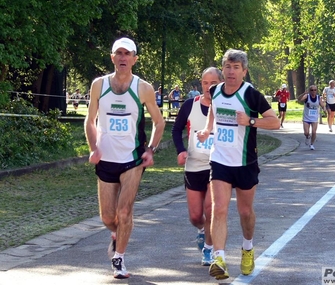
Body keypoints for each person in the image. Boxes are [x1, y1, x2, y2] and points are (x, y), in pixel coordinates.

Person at [84, 37, 165, 279]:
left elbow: (159, 122)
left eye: (127, 54)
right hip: (106, 158)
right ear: (112, 57)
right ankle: (116, 235)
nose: (122, 58)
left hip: (132, 159)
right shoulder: (99, 85)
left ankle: (119, 258)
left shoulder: (143, 88)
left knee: (124, 212)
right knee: (108, 217)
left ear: (134, 59)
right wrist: (93, 148)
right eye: (118, 53)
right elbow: (89, 120)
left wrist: (150, 149)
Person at [197, 49, 280, 280]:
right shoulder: (214, 91)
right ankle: (219, 258)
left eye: (236, 68)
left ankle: (247, 247)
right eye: (228, 67)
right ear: (222, 70)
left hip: (245, 163)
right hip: (220, 160)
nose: (231, 71)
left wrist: (251, 121)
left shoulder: (252, 95)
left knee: (245, 212)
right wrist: (207, 129)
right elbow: (212, 113)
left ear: (244, 71)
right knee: (219, 208)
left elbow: (275, 123)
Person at [172, 67, 223, 266]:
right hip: (193, 164)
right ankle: (202, 231)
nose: (209, 87)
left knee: (211, 208)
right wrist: (180, 150)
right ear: (201, 84)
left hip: (216, 165)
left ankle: (209, 250)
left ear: (221, 82)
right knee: (195, 215)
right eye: (205, 83)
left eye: (213, 83)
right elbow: (176, 130)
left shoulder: (225, 105)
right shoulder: (189, 105)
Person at [297, 85, 325, 150]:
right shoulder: (307, 96)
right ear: (309, 91)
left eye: (315, 90)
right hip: (306, 117)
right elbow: (299, 99)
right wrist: (304, 93)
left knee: (314, 132)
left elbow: (322, 105)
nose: (313, 91)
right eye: (312, 90)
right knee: (306, 132)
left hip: (314, 118)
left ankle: (312, 144)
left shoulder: (318, 98)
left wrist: (324, 108)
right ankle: (307, 137)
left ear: (316, 91)